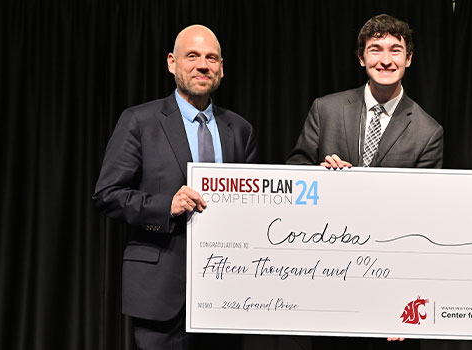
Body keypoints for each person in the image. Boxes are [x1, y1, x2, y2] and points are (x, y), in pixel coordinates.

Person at [92, 25, 257, 350]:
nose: (202, 65)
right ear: (172, 62)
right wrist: (166, 206)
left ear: (222, 68)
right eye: (192, 56)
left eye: (211, 58)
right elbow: (107, 194)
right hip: (161, 294)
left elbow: (252, 206)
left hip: (226, 296)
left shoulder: (240, 130)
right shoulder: (139, 121)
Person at [287, 14, 443, 169]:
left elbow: (425, 186)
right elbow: (294, 172)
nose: (386, 61)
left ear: (408, 59)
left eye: (395, 51)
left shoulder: (428, 132)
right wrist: (322, 174)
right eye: (375, 50)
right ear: (361, 58)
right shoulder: (324, 110)